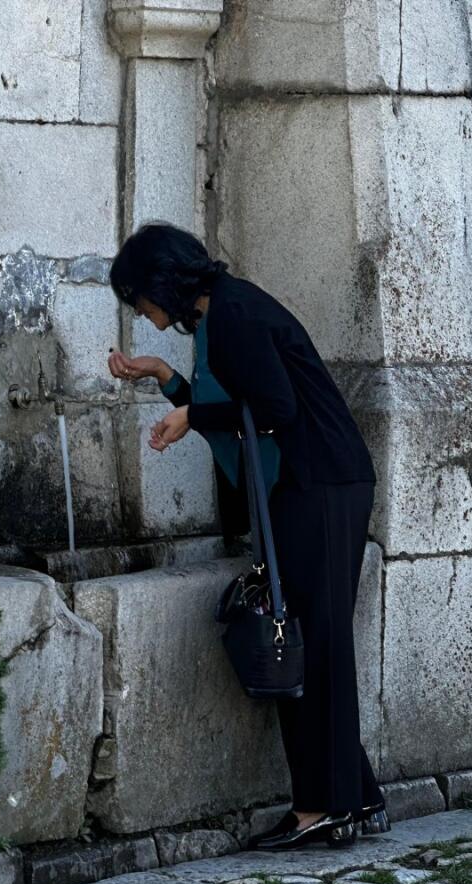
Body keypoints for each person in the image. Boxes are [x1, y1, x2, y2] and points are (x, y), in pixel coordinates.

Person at [106, 222, 387, 851]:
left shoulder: (232, 313)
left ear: (162, 284)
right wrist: (167, 381)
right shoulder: (224, 311)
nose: (146, 317)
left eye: (142, 302)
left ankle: (322, 806)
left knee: (312, 642)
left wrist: (192, 413)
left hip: (319, 482)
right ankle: (356, 797)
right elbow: (244, 405)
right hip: (317, 481)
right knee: (311, 637)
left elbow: (276, 410)